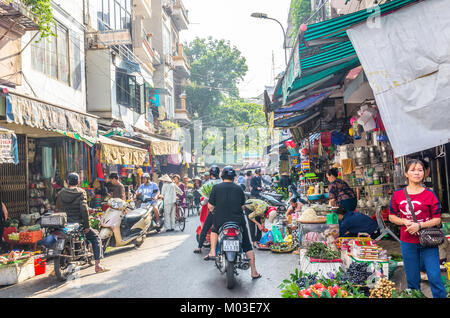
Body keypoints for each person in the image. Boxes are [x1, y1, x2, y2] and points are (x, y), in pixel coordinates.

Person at [389, 159, 446, 298]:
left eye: (420, 170)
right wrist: (404, 221)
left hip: (428, 242)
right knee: (412, 280)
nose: (417, 173)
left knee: (434, 277)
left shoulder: (430, 194)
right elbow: (391, 216)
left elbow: (437, 219)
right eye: (413, 170)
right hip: (408, 243)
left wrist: (419, 225)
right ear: (406, 173)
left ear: (424, 173)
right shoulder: (398, 194)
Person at [205, 166, 261, 279]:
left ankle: (212, 252)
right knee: (247, 245)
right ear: (233, 177)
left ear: (222, 176)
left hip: (220, 220)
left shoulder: (216, 188)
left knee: (214, 230)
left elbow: (210, 205)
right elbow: (243, 206)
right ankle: (254, 272)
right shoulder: (238, 188)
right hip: (237, 221)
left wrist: (213, 210)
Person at [55, 173, 109, 273]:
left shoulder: (61, 193)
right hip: (77, 223)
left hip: (64, 223)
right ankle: (98, 265)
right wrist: (87, 226)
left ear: (67, 182)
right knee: (95, 237)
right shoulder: (81, 192)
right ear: (78, 182)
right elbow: (84, 209)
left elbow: (57, 207)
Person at [194, 165, 221, 254]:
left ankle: (199, 247)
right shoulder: (222, 182)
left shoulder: (208, 184)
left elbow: (205, 200)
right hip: (224, 210)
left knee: (205, 228)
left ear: (210, 174)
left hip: (213, 210)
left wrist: (202, 203)